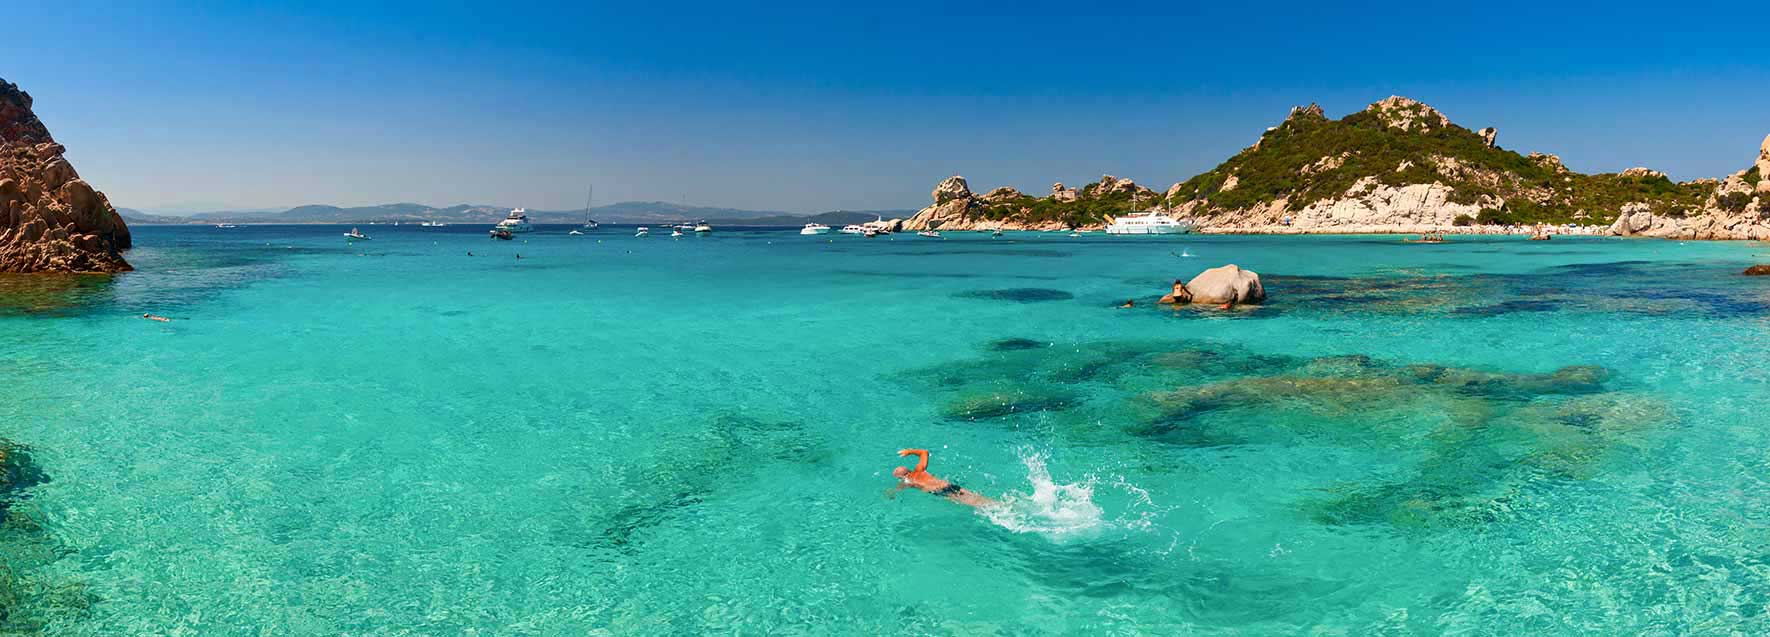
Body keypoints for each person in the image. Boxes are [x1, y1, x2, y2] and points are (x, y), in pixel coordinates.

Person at [891, 449, 995, 508]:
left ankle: (998, 509)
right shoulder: (919, 469)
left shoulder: (908, 481)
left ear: (902, 477)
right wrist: (909, 451)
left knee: (978, 505)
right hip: (947, 485)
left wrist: (891, 493)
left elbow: (897, 489)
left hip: (941, 491)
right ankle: (997, 503)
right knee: (976, 497)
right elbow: (924, 452)